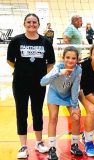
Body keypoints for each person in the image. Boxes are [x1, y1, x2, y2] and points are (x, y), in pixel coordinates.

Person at [7, 13, 55, 159]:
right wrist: (23, 70)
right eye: (29, 22)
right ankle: (23, 146)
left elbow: (51, 63)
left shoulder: (45, 41)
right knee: (21, 112)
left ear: (38, 24)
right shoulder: (16, 40)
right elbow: (10, 60)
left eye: (34, 22)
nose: (32, 24)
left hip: (38, 83)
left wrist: (40, 75)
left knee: (37, 111)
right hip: (20, 82)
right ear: (24, 24)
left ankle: (39, 142)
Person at [40, 46, 83, 159]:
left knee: (76, 117)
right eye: (67, 57)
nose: (70, 60)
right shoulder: (57, 67)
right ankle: (52, 148)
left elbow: (75, 88)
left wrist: (74, 106)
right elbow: (42, 82)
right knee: (53, 117)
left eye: (73, 58)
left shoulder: (78, 70)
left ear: (77, 60)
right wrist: (59, 73)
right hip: (55, 94)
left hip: (68, 95)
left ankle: (74, 145)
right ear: (63, 58)